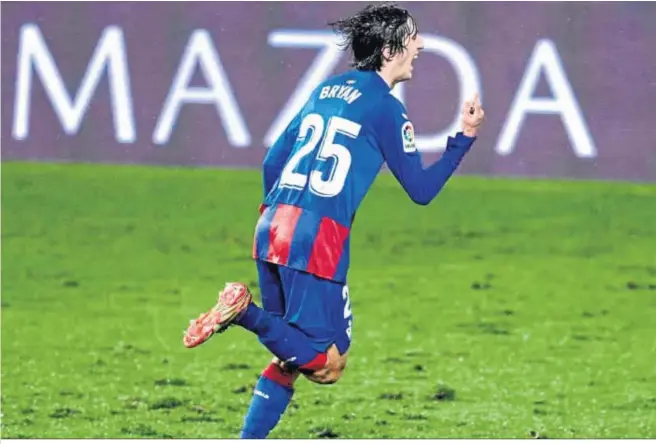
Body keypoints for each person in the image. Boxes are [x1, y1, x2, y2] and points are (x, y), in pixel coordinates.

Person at [183, 3, 485, 439]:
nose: (419, 45)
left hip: (272, 225)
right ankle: (243, 310)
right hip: (316, 238)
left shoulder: (326, 90)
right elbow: (421, 191)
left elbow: (273, 161)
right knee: (327, 364)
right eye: (413, 36)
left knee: (291, 353)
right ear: (389, 49)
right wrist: (464, 139)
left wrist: (276, 212)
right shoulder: (386, 108)